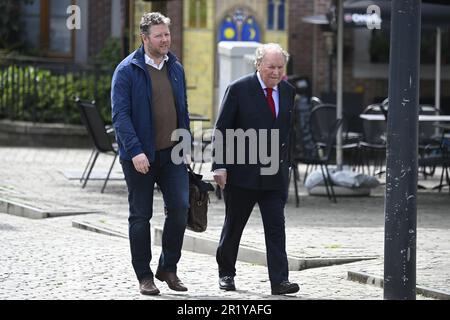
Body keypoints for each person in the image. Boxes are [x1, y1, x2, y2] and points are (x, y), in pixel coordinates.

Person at [111, 12, 190, 296]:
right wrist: (135, 151)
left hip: (172, 154)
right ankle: (144, 276)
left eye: (167, 34)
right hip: (140, 157)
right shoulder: (126, 70)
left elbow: (183, 109)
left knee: (181, 208)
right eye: (159, 35)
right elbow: (120, 117)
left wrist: (185, 144)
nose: (165, 39)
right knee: (141, 216)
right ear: (144, 38)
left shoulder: (175, 67)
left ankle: (168, 267)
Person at [212, 43, 300, 295]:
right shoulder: (239, 89)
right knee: (234, 226)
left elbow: (287, 131)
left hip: (274, 176)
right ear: (258, 64)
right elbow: (222, 130)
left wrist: (289, 165)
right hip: (242, 174)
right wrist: (219, 165)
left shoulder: (287, 91)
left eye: (280, 67)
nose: (276, 72)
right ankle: (226, 273)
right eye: (271, 66)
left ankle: (279, 281)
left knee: (276, 228)